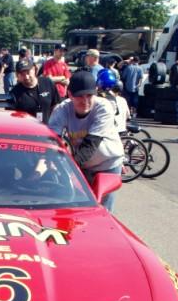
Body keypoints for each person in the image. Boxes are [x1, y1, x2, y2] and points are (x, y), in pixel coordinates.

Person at [48, 70, 124, 211]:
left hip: (107, 163)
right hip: (83, 164)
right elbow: (53, 141)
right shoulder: (62, 110)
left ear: (96, 91)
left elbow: (90, 145)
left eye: (89, 95)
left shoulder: (104, 108)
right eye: (79, 96)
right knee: (77, 208)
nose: (85, 101)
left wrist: (68, 170)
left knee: (102, 210)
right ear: (69, 94)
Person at [8, 58, 59, 124]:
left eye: (28, 72)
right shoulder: (14, 93)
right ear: (18, 75)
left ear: (34, 69)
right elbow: (12, 118)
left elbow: (56, 105)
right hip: (28, 131)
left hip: (48, 129)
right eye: (22, 74)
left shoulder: (47, 83)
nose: (26, 77)